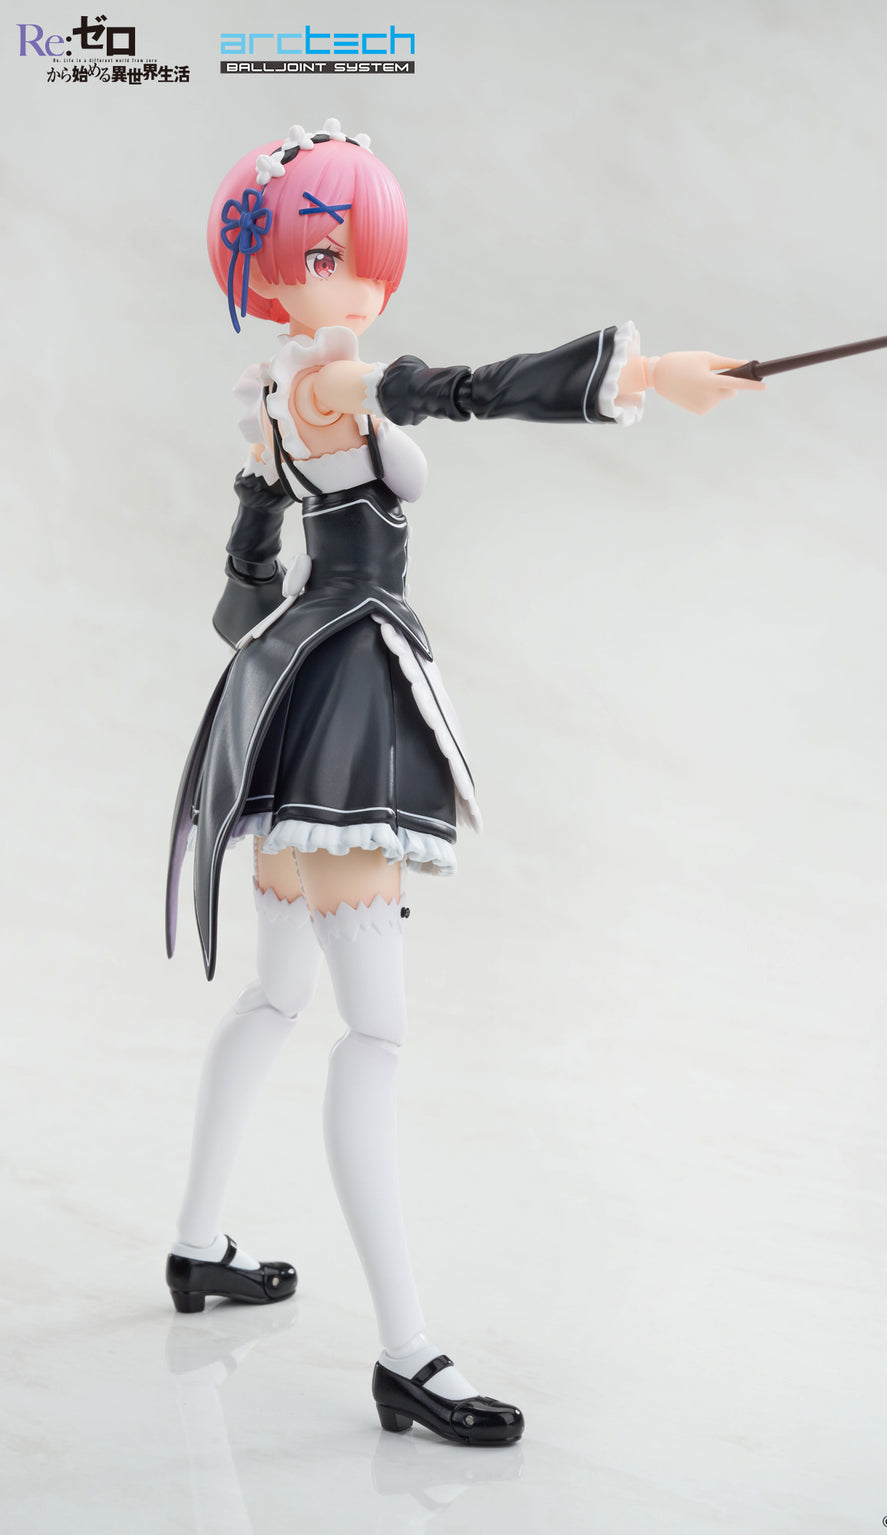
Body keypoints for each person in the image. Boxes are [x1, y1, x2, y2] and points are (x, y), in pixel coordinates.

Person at [164, 119, 765, 1447]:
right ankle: (406, 1356)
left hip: (290, 680)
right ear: (272, 269)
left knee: (278, 994)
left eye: (355, 251)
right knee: (371, 1033)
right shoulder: (339, 379)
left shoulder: (274, 399)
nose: (352, 276)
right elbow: (471, 390)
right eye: (322, 253)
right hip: (345, 689)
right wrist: (649, 372)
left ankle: (198, 1248)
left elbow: (248, 561)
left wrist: (264, 619)